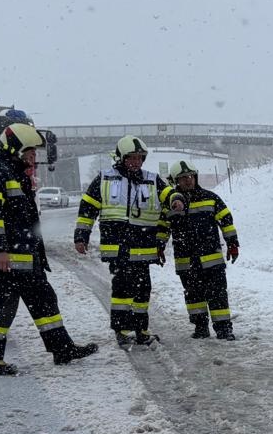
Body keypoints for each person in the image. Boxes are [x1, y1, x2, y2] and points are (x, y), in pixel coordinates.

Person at [0, 123, 99, 375]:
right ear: (15, 149)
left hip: (26, 257)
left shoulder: (15, 174)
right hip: (8, 259)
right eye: (30, 152)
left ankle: (62, 349)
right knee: (1, 306)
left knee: (44, 301)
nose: (34, 157)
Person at [73, 135, 169, 348]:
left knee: (143, 291)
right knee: (122, 290)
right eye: (131, 158)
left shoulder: (152, 179)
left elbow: (167, 194)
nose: (136, 162)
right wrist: (81, 236)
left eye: (139, 158)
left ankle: (142, 331)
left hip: (144, 249)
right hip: (118, 248)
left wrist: (177, 199)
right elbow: (87, 209)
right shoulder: (105, 179)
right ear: (120, 158)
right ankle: (122, 331)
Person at [160, 159, 240, 340]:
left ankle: (224, 329)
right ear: (175, 182)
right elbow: (162, 228)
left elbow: (226, 221)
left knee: (218, 295)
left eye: (190, 176)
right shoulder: (170, 206)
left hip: (212, 260)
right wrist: (159, 247)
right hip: (186, 262)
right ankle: (200, 327)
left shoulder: (211, 198)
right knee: (193, 297)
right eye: (182, 178)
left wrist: (233, 244)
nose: (188, 180)